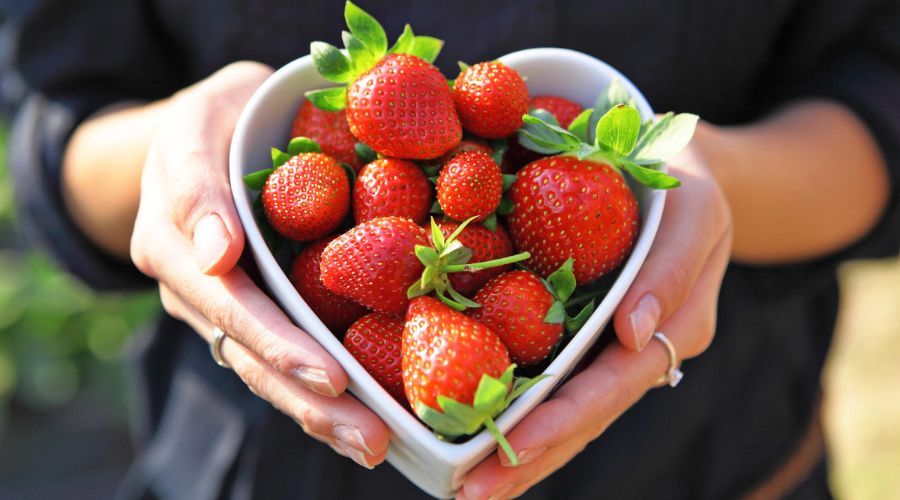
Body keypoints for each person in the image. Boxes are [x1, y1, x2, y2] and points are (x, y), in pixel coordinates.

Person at [3, 0, 898, 498]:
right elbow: (60, 126)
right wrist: (177, 155)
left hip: (710, 463)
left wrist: (710, 179)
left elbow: (878, 102)